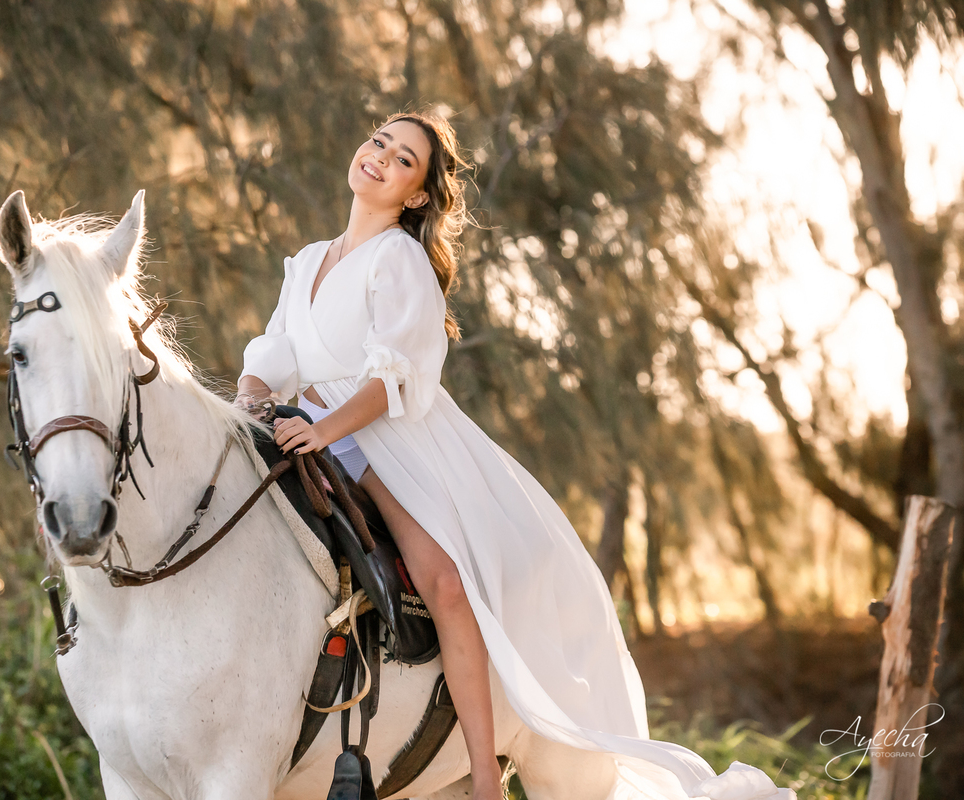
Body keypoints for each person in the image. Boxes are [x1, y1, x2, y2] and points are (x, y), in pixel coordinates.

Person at [235, 111, 792, 800]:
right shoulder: (309, 259)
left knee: (442, 582)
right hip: (313, 426)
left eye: (403, 158)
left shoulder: (398, 259)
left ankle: (483, 778)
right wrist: (251, 397)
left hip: (392, 439)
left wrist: (325, 431)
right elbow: (276, 349)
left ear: (415, 196)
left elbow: (394, 375)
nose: (380, 156)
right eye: (379, 140)